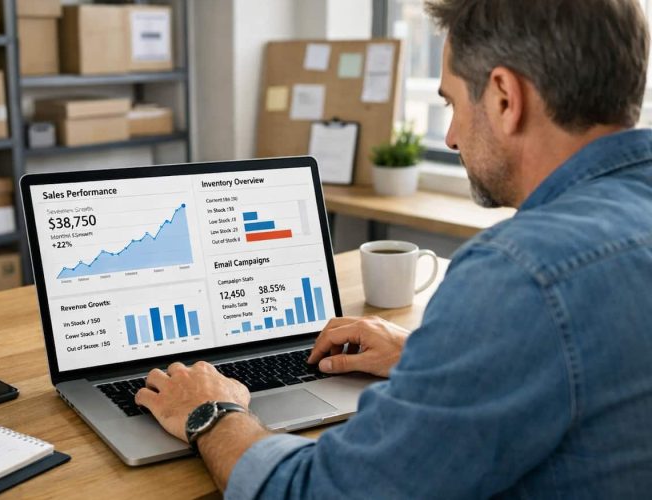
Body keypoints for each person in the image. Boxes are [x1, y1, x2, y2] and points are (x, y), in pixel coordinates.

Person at [135, 0, 652, 497]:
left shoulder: (521, 276)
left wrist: (212, 412)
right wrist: (432, 358)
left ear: (503, 97)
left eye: (451, 102)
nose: (449, 137)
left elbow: (321, 495)